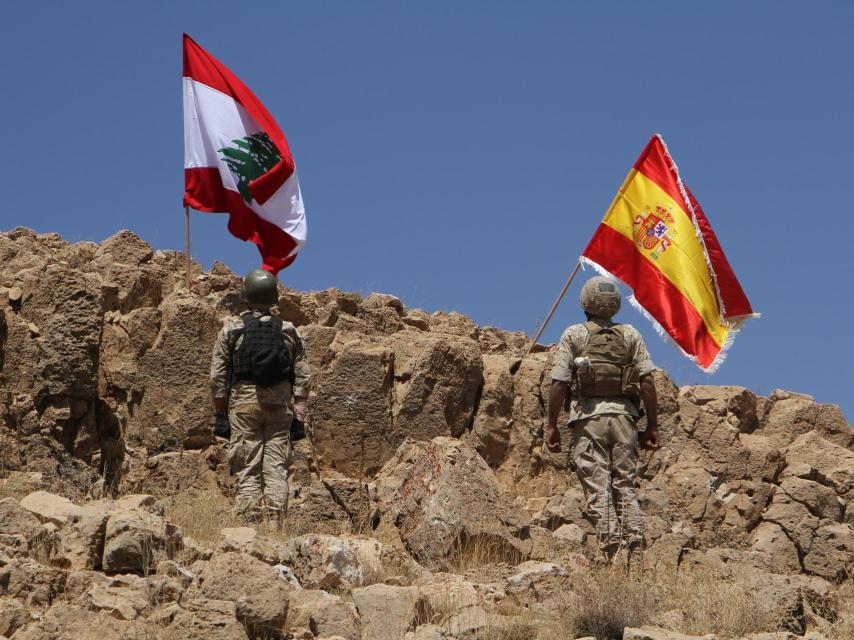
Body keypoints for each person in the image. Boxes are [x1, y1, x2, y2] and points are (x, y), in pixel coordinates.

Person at [545, 275, 659, 571]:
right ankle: (635, 553)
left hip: (588, 420)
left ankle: (614, 555)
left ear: (585, 302)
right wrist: (652, 426)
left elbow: (559, 383)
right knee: (625, 486)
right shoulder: (631, 334)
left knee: (598, 488)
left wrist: (552, 425)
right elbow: (647, 382)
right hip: (625, 420)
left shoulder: (574, 334)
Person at [210, 269, 311, 523]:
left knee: (247, 468)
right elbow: (303, 379)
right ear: (274, 297)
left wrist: (220, 415)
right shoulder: (289, 330)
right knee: (276, 469)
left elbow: (218, 378)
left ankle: (248, 527)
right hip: (280, 407)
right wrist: (299, 419)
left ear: (245, 297)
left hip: (244, 406)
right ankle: (276, 527)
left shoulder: (232, 329)